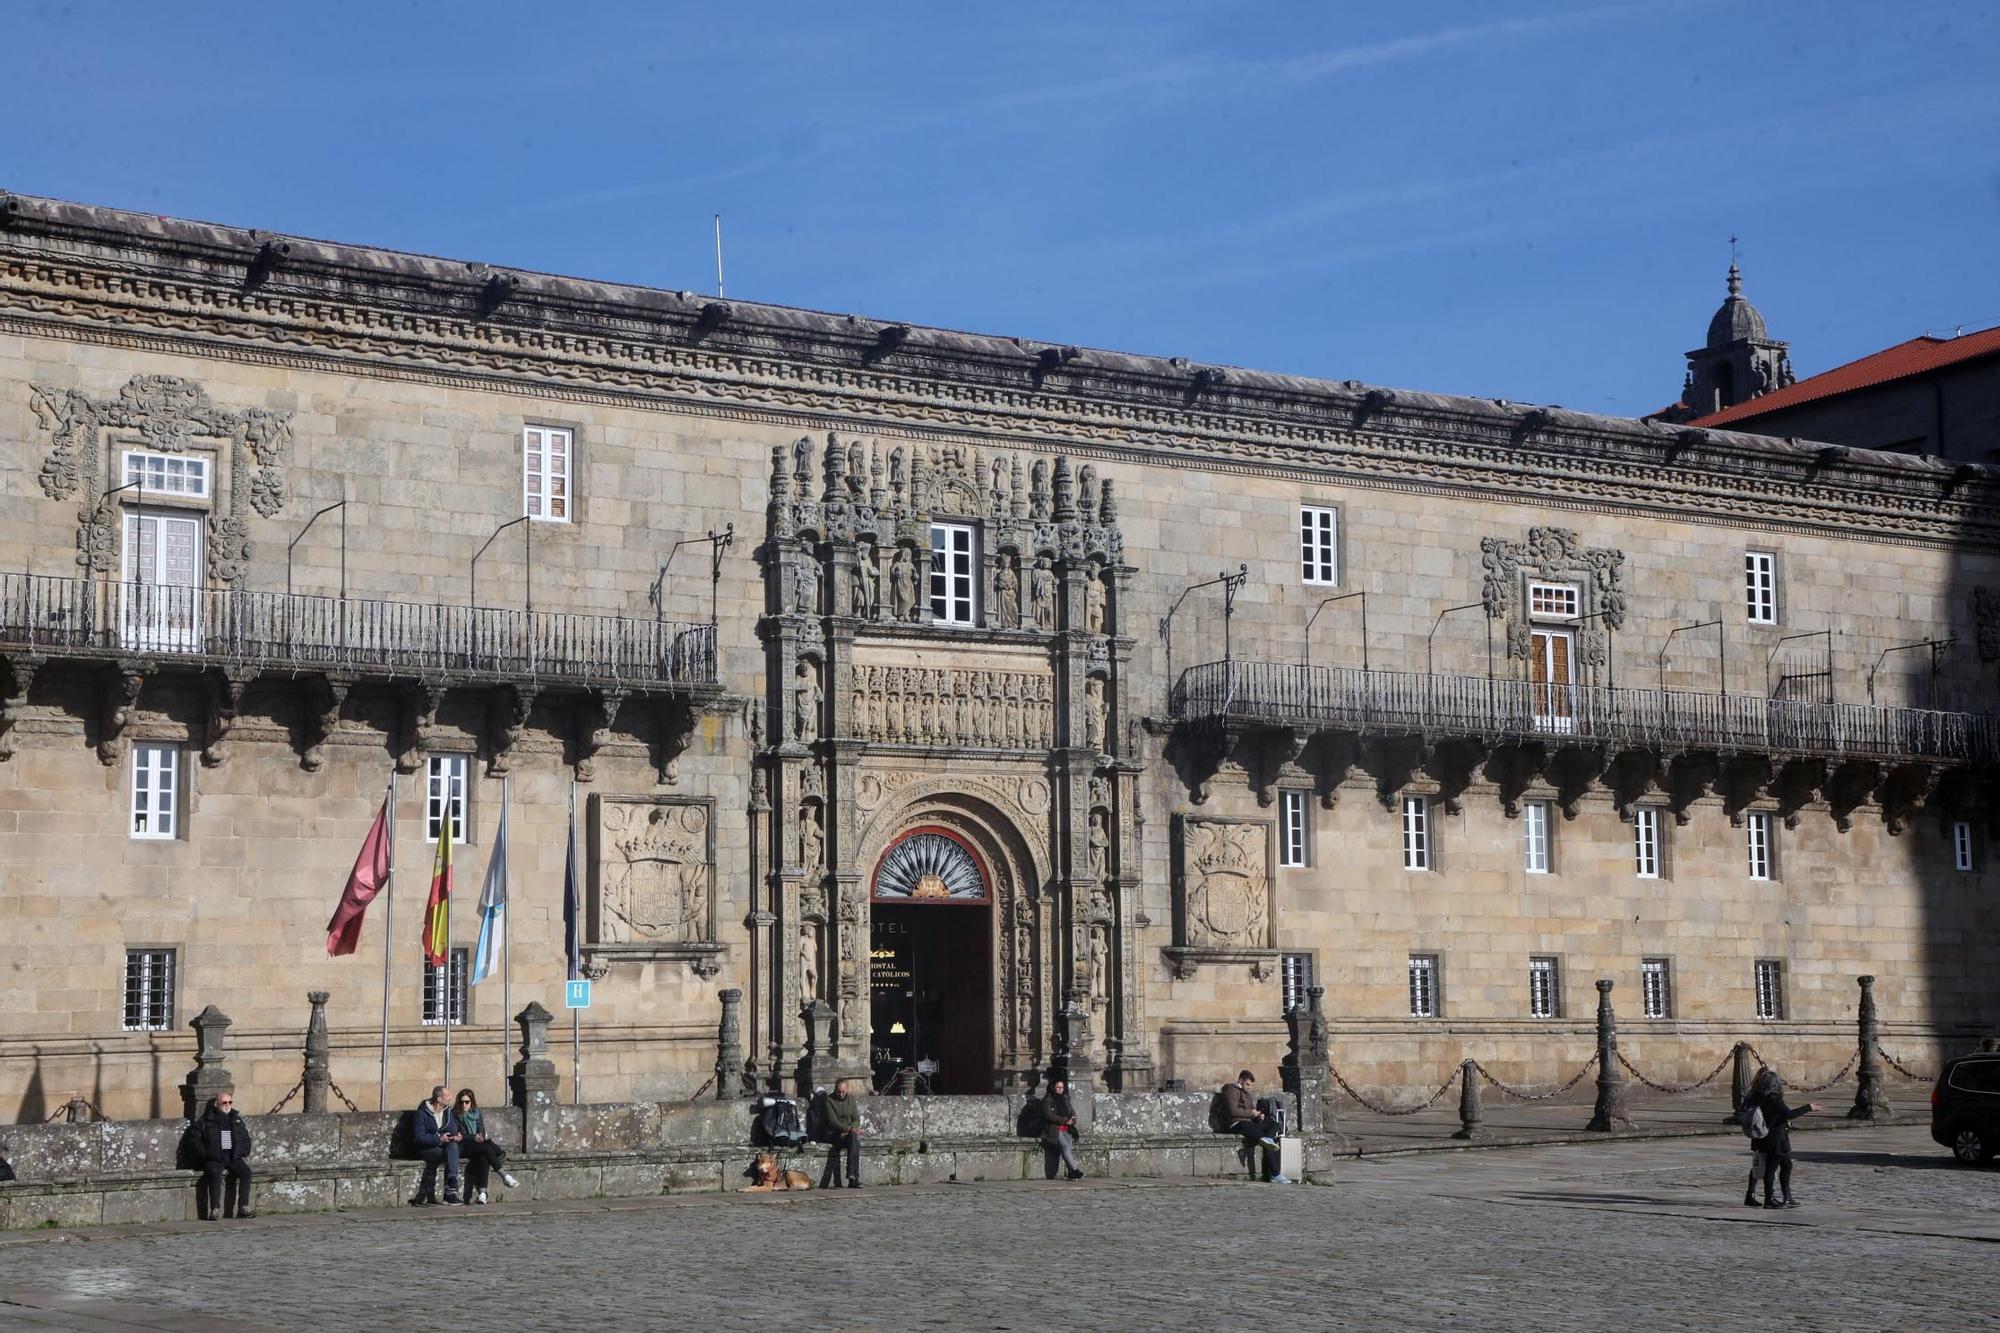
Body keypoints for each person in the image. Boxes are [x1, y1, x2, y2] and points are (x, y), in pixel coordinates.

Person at [1745, 1067, 1820, 1209]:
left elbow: (1770, 1115)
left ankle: (1783, 1196)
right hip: (1775, 1138)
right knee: (1770, 1168)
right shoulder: (1774, 1097)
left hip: (1761, 1136)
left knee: (1783, 1165)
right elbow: (1789, 1114)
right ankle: (1769, 1199)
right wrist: (1808, 1107)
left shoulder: (1754, 1095)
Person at [452, 1088, 518, 1205]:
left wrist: (479, 1137)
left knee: (484, 1156)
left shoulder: (476, 1114)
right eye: (461, 1102)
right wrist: (473, 1138)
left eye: (467, 1102)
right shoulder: (454, 1115)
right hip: (463, 1147)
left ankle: (482, 1194)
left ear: (472, 1102)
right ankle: (504, 1176)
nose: (464, 1105)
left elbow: (481, 1131)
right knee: (487, 1148)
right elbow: (458, 1136)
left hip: (478, 1145)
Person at [197, 1093, 255, 1220]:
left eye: (230, 1102)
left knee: (246, 1172)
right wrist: (207, 1154)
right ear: (216, 1104)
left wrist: (244, 1151)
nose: (227, 1105)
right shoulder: (206, 1121)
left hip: (232, 1156)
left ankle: (243, 1207)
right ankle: (214, 1209)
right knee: (215, 1173)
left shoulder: (236, 1119)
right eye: (224, 1102)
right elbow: (196, 1141)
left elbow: (245, 1138)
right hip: (215, 1157)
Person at [410, 1084, 465, 1206]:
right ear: (439, 1099)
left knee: (452, 1147)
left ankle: (451, 1186)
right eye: (448, 1095)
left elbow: (453, 1129)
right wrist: (438, 1139)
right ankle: (449, 1193)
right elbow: (419, 1137)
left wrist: (455, 1136)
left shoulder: (448, 1112)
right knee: (448, 1153)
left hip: (443, 1147)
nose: (451, 1097)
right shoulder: (422, 1113)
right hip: (426, 1149)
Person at [817, 1079, 862, 1190]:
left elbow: (856, 1118)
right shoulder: (829, 1101)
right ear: (835, 1089)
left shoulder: (851, 1099)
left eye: (843, 1092)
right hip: (834, 1134)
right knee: (853, 1139)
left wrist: (853, 1128)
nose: (841, 1094)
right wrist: (849, 1128)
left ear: (846, 1090)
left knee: (853, 1139)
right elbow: (833, 1122)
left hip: (848, 1134)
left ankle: (852, 1176)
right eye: (838, 1092)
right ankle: (853, 1177)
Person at [1039, 1077, 1084, 1180]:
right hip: (1055, 1129)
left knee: (1067, 1149)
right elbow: (1048, 1115)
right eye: (1058, 1087)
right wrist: (1065, 1120)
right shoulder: (1047, 1100)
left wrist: (1073, 1119)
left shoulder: (1065, 1099)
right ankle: (1075, 1169)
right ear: (1053, 1088)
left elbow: (1072, 1112)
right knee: (1064, 1147)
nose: (1060, 1089)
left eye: (1062, 1088)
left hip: (1067, 1129)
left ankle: (1071, 1173)